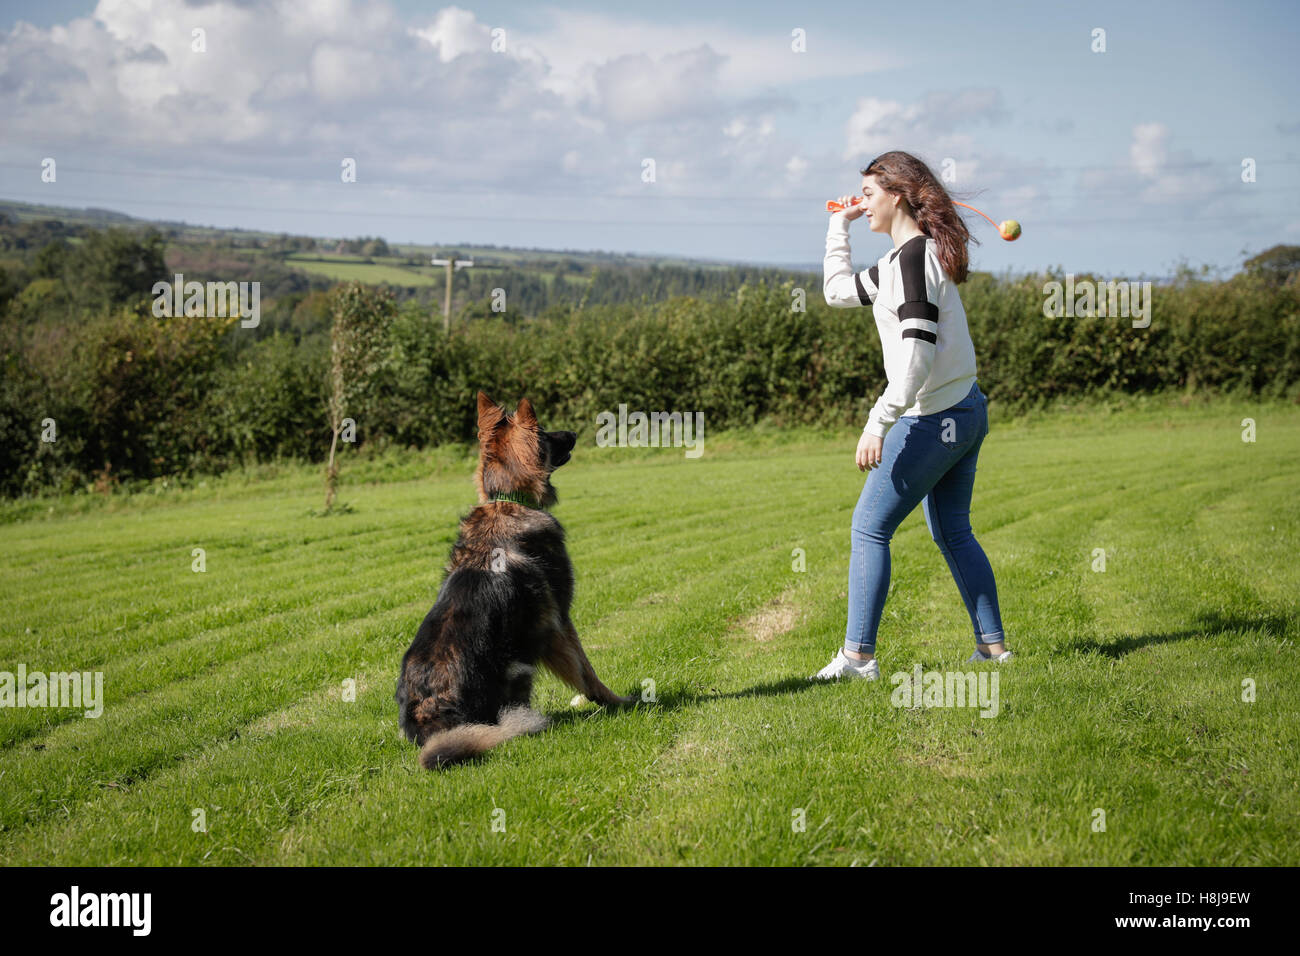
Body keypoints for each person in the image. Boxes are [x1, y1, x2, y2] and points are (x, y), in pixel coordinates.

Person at [811, 151, 1011, 682]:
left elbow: (917, 354)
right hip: (966, 411)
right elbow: (836, 292)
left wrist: (878, 422)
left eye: (869, 196)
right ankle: (992, 650)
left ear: (896, 195)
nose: (863, 204)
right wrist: (839, 227)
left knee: (868, 528)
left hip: (935, 419)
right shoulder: (902, 259)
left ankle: (858, 658)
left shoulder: (913, 262)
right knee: (954, 531)